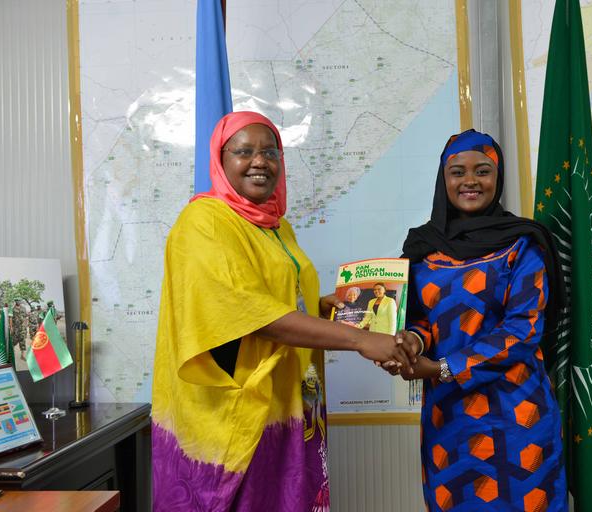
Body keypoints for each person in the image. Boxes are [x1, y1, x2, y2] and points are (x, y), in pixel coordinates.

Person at [151, 111, 418, 512]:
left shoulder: (277, 226)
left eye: (270, 151)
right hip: (235, 418)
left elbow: (276, 297)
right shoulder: (203, 222)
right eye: (244, 152)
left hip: (288, 404)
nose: (259, 161)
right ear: (220, 161)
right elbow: (248, 312)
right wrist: (360, 339)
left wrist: (319, 307)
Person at [391, 130, 567, 511]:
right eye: (457, 172)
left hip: (517, 416)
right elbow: (422, 320)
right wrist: (412, 343)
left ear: (497, 178)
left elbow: (523, 330)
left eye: (482, 171)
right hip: (449, 419)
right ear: (443, 179)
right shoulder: (423, 247)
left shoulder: (523, 244)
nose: (469, 181)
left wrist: (442, 367)